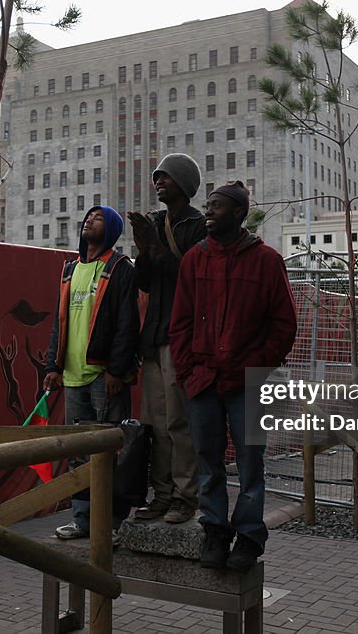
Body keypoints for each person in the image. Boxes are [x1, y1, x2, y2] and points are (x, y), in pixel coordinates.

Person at [170, 181, 297, 571]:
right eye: (207, 205)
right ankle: (214, 531)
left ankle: (248, 538)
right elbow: (180, 322)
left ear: (240, 213)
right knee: (208, 461)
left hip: (247, 384)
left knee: (250, 464)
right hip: (202, 381)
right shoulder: (194, 259)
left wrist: (254, 367)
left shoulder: (266, 261)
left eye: (217, 207)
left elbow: (283, 324)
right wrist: (188, 368)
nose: (208, 212)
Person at [43, 206, 140, 540]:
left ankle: (111, 523)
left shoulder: (119, 268)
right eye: (87, 217)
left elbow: (128, 324)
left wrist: (116, 370)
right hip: (71, 378)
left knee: (110, 451)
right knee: (77, 454)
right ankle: (83, 520)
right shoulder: (70, 270)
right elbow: (60, 322)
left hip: (103, 377)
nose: (88, 221)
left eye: (97, 218)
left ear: (111, 228)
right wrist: (53, 366)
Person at [127, 153, 207, 525]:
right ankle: (160, 494)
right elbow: (145, 282)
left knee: (178, 421)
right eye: (157, 176)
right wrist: (144, 249)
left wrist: (155, 247)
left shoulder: (197, 226)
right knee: (154, 423)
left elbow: (188, 278)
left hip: (181, 336)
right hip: (153, 335)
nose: (159, 182)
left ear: (185, 184)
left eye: (167, 177)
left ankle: (185, 496)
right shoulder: (154, 222)